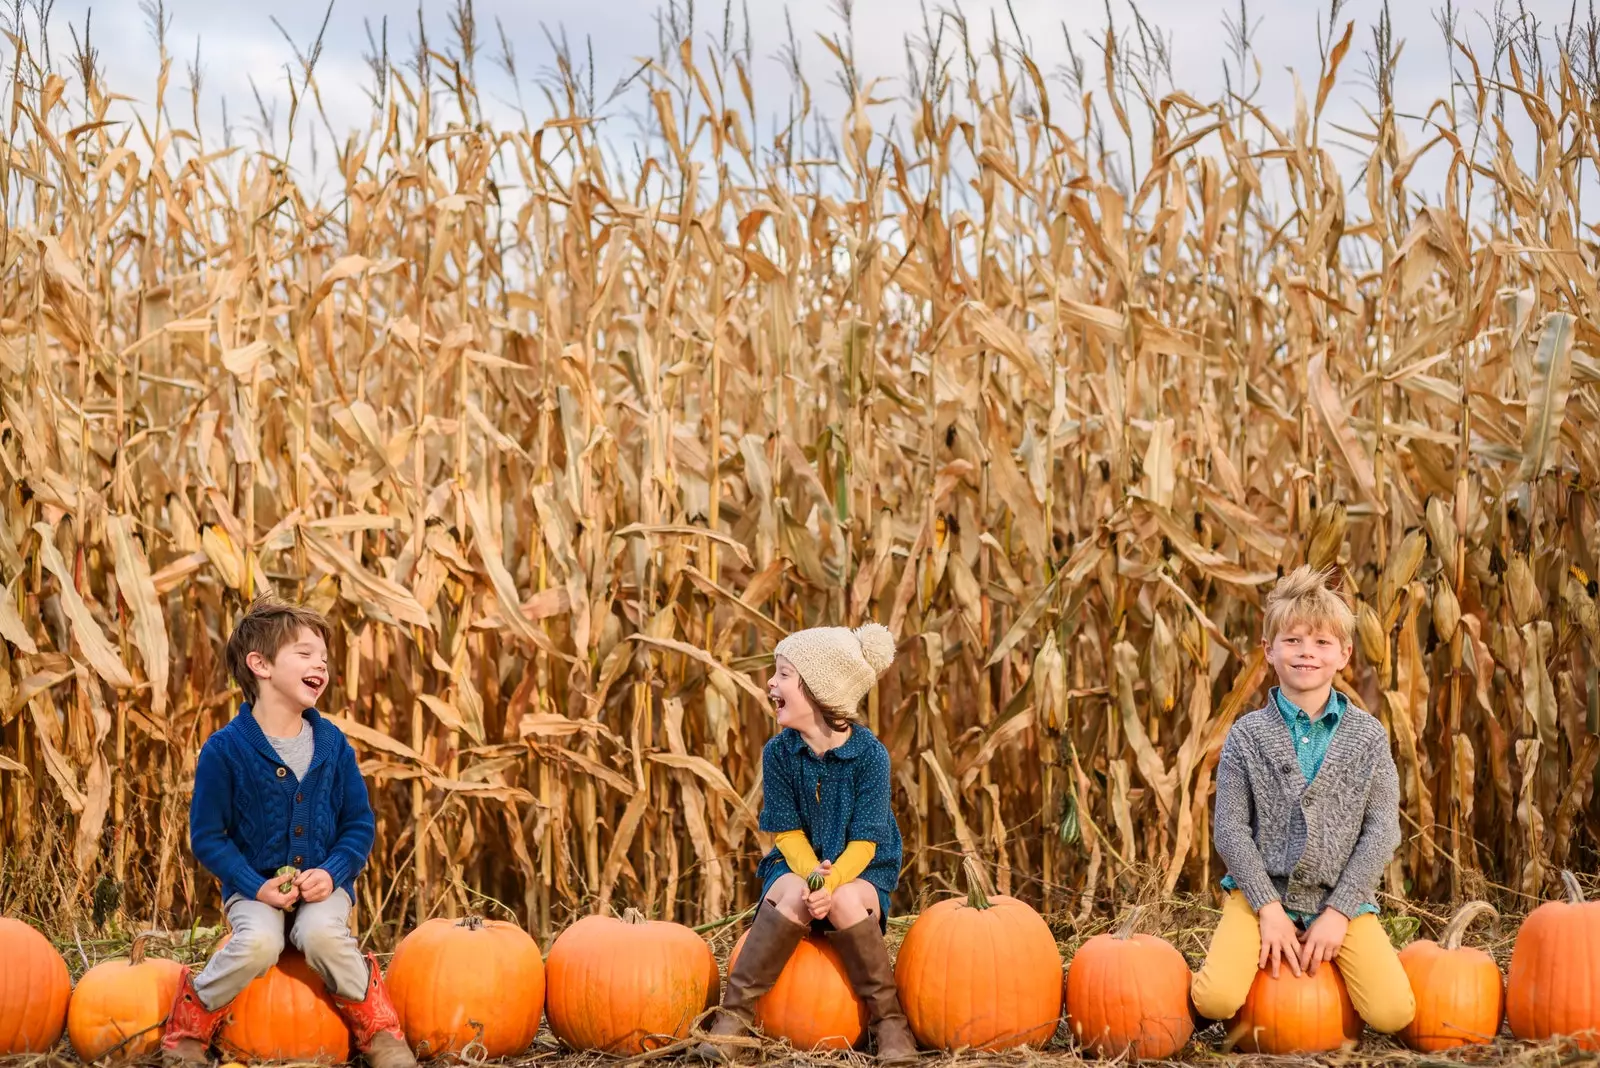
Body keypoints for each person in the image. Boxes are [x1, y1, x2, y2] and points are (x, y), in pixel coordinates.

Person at [161, 597, 415, 1068]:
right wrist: (255, 885)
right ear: (260, 665)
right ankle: (190, 1026)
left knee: (321, 935)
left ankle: (378, 1031)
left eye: (323, 656)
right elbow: (209, 837)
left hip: (322, 887)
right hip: (254, 888)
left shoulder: (333, 746)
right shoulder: (225, 750)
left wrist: (333, 872)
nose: (319, 662)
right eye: (304, 652)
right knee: (259, 942)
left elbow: (358, 824)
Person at [1190, 565, 1416, 1039]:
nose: (1306, 653)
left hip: (1338, 897)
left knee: (1394, 1013)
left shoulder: (1368, 737)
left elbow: (1382, 831)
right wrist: (1267, 908)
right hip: (1258, 894)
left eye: (1321, 643)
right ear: (1269, 650)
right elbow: (1230, 829)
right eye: (1292, 641)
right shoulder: (1247, 736)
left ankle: (1329, 971)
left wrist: (1339, 912)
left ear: (1344, 654)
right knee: (1214, 999)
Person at [695, 622, 916, 1063]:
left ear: (819, 689)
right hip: (798, 866)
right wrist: (813, 879)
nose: (770, 684)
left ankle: (889, 1024)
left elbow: (867, 843)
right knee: (794, 894)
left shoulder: (870, 757)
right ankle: (733, 1021)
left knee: (846, 904)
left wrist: (830, 887)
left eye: (783, 674)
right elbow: (787, 832)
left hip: (859, 871)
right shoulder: (779, 753)